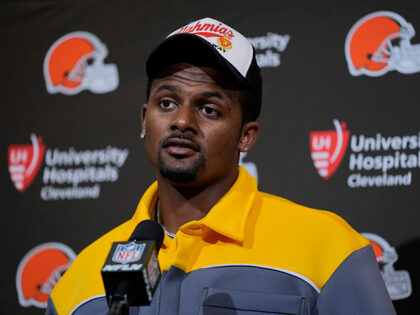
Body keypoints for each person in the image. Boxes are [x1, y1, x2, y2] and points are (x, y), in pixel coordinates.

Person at [46, 17, 396, 315]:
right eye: (166, 103)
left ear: (247, 136)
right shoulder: (78, 277)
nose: (182, 121)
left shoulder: (328, 248)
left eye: (209, 109)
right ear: (144, 120)